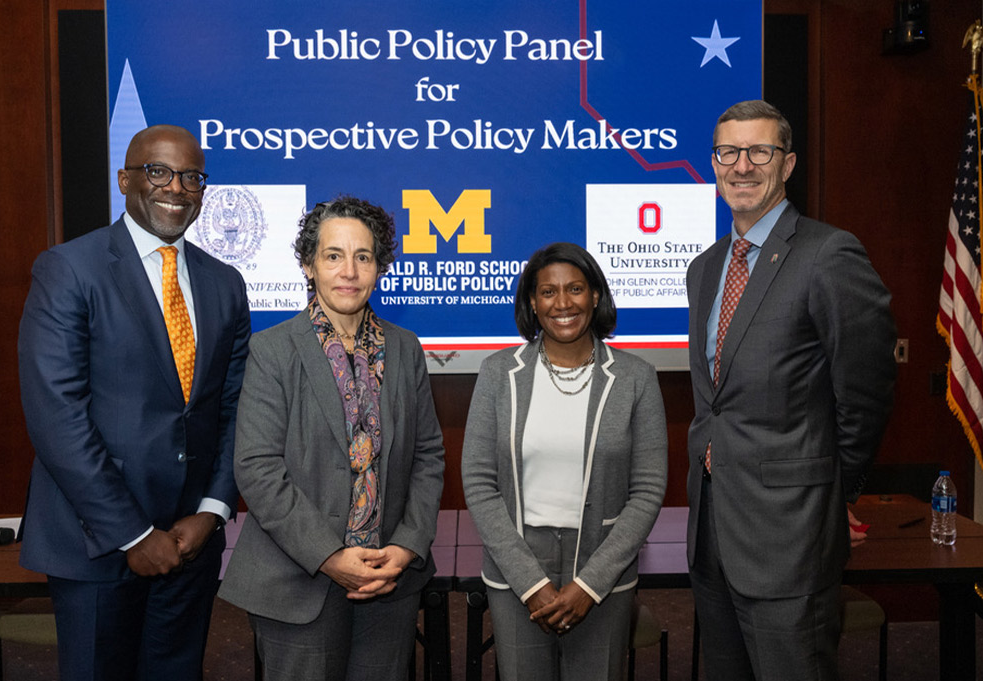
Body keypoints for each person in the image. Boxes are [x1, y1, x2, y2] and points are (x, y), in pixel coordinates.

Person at [17, 125, 251, 681]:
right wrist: (134, 534)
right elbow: (58, 417)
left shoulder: (226, 283)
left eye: (192, 176)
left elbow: (235, 409)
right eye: (158, 171)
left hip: (190, 545)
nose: (176, 186)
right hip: (95, 543)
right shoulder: (69, 270)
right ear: (125, 180)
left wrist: (211, 512)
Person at [685, 100, 897, 681]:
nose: (742, 165)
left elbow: (866, 393)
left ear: (788, 163)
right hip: (713, 533)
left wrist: (833, 492)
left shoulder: (829, 255)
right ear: (714, 163)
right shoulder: (704, 269)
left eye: (760, 151)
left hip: (792, 536)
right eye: (729, 152)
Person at [218, 196, 445, 681]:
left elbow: (428, 455)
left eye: (363, 256)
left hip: (388, 581)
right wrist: (329, 555)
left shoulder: (404, 349)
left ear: (380, 267)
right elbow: (257, 468)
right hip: (298, 581)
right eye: (333, 255)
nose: (349, 271)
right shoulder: (273, 349)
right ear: (308, 264)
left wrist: (406, 547)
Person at [461, 242, 668, 681]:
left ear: (595, 295)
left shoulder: (636, 378)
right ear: (532, 303)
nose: (563, 303)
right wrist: (530, 583)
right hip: (517, 568)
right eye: (548, 292)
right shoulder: (498, 373)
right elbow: (479, 483)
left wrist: (590, 585)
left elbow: (648, 490)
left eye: (575, 288)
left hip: (603, 567)